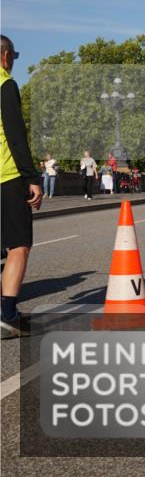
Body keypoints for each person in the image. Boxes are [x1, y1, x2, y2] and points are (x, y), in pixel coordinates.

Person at [1, 35, 44, 338]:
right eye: (14, 56)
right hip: (7, 176)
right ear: (5, 57)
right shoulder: (5, 85)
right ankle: (8, 314)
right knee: (19, 246)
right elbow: (16, 137)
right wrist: (32, 178)